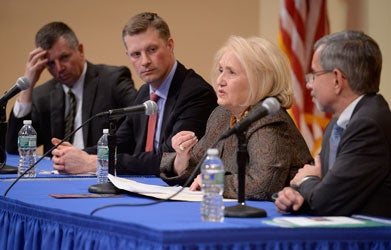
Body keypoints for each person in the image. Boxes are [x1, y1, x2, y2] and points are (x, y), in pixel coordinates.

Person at [50, 12, 217, 175]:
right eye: (136, 54)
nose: (145, 61)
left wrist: (93, 163)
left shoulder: (196, 93)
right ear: (128, 56)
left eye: (152, 49)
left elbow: (167, 159)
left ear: (170, 45)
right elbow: (122, 142)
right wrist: (77, 154)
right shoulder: (146, 92)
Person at [160, 35, 313, 200]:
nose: (220, 81)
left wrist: (212, 181)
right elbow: (197, 165)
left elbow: (264, 185)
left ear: (260, 80)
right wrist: (182, 158)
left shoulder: (269, 120)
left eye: (231, 73)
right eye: (220, 71)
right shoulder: (222, 115)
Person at [275, 30, 391, 218]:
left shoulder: (368, 125)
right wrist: (296, 197)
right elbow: (325, 191)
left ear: (337, 79)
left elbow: (325, 201)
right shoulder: (340, 122)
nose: (308, 85)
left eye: (314, 74)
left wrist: (307, 179)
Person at [6, 21, 137, 155]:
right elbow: (13, 148)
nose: (59, 68)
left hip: (99, 168)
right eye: (51, 63)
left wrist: (82, 157)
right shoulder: (43, 95)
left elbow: (137, 129)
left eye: (64, 57)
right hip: (58, 173)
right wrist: (27, 88)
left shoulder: (113, 80)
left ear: (80, 50)